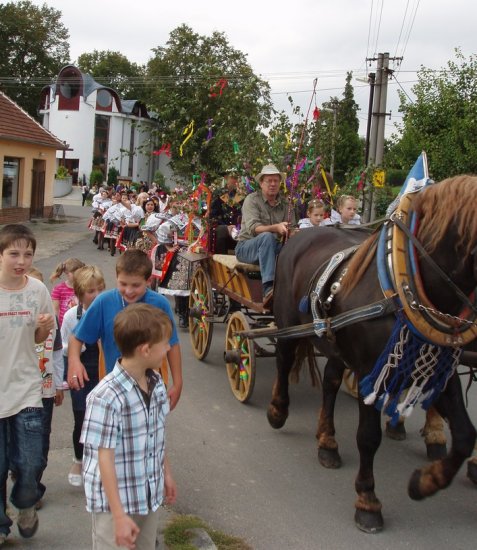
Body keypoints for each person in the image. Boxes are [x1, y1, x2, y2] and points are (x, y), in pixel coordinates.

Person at [81, 303, 177, 550]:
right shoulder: (105, 397)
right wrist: (120, 516)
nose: (169, 348)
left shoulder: (156, 384)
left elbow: (157, 435)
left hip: (146, 497)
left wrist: (166, 473)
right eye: (165, 344)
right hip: (114, 507)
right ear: (145, 349)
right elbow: (104, 459)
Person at [67, 249, 183, 410]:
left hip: (151, 388)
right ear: (116, 278)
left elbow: (173, 343)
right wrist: (74, 361)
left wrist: (178, 383)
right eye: (123, 284)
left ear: (149, 280)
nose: (128, 291)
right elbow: (77, 336)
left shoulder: (160, 304)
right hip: (115, 391)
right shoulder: (104, 302)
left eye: (135, 285)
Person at [0, 224, 55, 544]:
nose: (21, 260)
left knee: (31, 460)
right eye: (13, 254)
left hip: (26, 388)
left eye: (28, 254)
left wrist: (43, 328)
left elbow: (38, 340)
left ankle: (24, 505)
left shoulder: (37, 291)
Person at [61, 266, 105, 487]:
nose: (96, 295)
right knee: (81, 417)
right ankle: (78, 459)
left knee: (104, 420)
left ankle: (100, 463)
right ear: (79, 294)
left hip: (104, 370)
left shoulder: (110, 311)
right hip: (82, 370)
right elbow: (65, 347)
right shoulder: (72, 315)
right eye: (90, 291)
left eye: (100, 289)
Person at [27, 267, 64, 504]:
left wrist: (59, 385)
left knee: (41, 440)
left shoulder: (52, 321)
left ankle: (33, 484)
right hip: (20, 391)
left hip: (46, 390)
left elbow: (58, 353)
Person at [235, 163, 297, 303]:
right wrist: (276, 228)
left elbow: (291, 228)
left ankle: (296, 286)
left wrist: (293, 233)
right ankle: (268, 288)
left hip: (273, 249)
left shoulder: (286, 204)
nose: (273, 184)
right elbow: (254, 228)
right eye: (269, 181)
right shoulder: (252, 200)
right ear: (261, 183)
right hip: (246, 247)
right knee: (267, 237)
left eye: (276, 181)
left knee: (296, 247)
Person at [209, 172, 244, 254]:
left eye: (236, 177)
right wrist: (226, 227)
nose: (234, 180)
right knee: (222, 231)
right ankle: (221, 262)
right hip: (222, 228)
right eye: (232, 177)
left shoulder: (241, 195)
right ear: (226, 178)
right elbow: (213, 216)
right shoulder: (218, 194)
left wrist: (238, 226)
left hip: (238, 229)